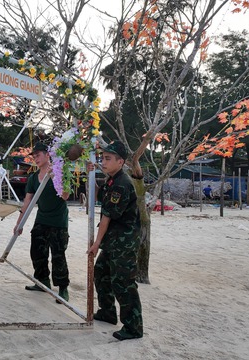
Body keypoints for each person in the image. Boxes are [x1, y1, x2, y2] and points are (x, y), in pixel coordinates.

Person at [87, 141, 143, 341]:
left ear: (120, 162)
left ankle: (133, 327)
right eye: (103, 158)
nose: (104, 161)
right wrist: (91, 174)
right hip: (113, 241)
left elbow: (106, 218)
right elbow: (100, 197)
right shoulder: (112, 180)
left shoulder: (121, 184)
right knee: (101, 273)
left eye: (108, 159)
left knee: (123, 282)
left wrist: (95, 244)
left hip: (124, 242)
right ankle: (108, 312)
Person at [14, 142, 70, 302]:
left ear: (48, 155)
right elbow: (28, 201)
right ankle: (42, 281)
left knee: (58, 255)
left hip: (58, 220)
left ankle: (63, 288)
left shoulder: (60, 172)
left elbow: (65, 196)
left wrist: (55, 178)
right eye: (34, 156)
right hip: (42, 218)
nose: (36, 159)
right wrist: (20, 223)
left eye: (38, 155)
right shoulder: (33, 178)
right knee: (37, 251)